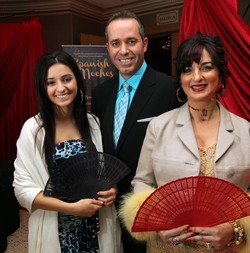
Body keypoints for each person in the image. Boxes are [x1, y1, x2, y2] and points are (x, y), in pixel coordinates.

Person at [119, 33, 250, 253]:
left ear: (220, 75)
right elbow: (143, 182)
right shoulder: (159, 127)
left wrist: (233, 229)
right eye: (187, 69)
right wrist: (157, 224)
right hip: (169, 247)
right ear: (180, 78)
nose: (196, 77)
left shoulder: (247, 133)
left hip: (227, 248)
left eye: (206, 67)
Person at [91, 10, 182, 253]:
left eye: (131, 41)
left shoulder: (169, 89)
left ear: (144, 44)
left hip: (151, 207)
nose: (124, 51)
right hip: (108, 205)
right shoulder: (101, 94)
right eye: (116, 43)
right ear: (108, 48)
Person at [13, 51, 122, 253]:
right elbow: (22, 190)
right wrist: (72, 208)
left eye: (67, 79)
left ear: (77, 82)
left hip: (96, 226)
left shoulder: (93, 123)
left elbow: (104, 172)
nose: (61, 88)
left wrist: (112, 190)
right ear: (42, 88)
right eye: (51, 82)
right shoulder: (34, 130)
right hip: (57, 230)